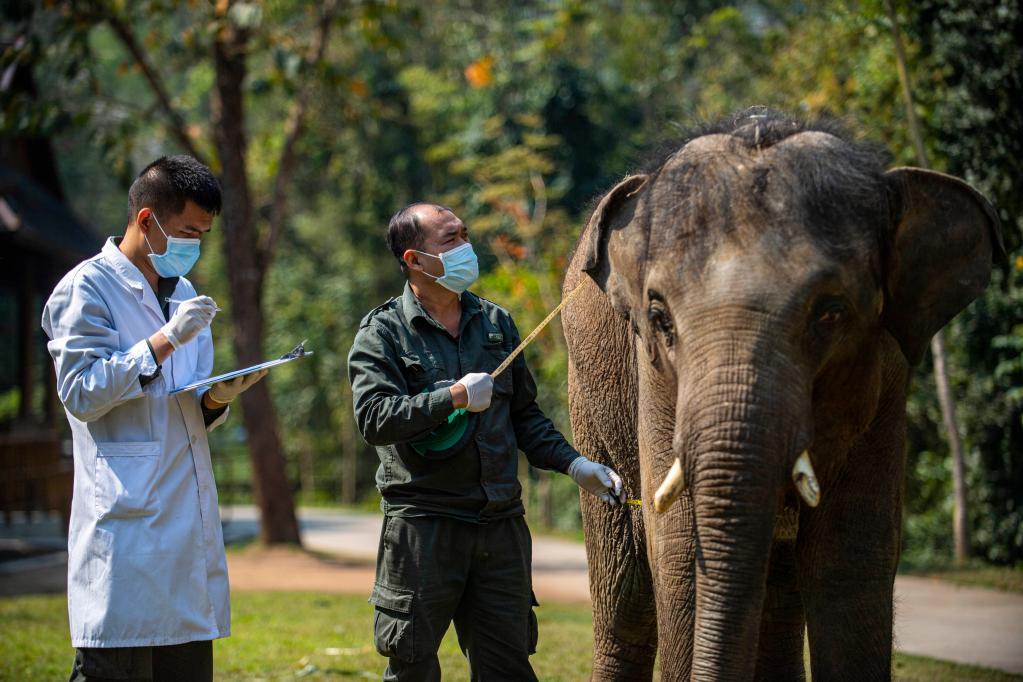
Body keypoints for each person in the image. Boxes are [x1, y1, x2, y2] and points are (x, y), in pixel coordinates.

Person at [347, 203, 626, 681]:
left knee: (508, 668)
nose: (465, 248)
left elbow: (526, 419)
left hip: (500, 526)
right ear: (414, 259)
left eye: (464, 235)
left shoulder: (496, 323)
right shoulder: (383, 332)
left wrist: (576, 465)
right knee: (412, 666)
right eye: (450, 240)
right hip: (424, 529)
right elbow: (374, 419)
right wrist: (450, 397)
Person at [41, 155, 266, 682]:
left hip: (185, 525)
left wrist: (217, 401)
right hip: (125, 526)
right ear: (147, 220)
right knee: (115, 668)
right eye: (188, 231)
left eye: (204, 234)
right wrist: (165, 340)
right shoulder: (87, 288)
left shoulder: (183, 295)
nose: (195, 246)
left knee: (184, 665)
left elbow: (181, 408)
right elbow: (80, 392)